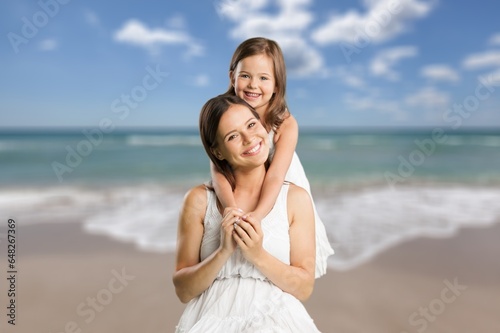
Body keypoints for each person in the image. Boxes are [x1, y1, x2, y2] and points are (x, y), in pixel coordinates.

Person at [173, 94, 321, 332]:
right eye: (232, 136)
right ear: (218, 152)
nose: (249, 138)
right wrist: (223, 252)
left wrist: (257, 254)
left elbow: (304, 288)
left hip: (278, 321)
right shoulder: (199, 200)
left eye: (251, 125)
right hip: (210, 320)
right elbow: (183, 290)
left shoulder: (295, 199)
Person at [211, 37, 333, 278]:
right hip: (243, 190)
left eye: (264, 78)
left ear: (277, 85)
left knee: (280, 259)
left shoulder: (285, 123)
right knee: (241, 263)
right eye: (245, 75)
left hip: (278, 190)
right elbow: (218, 171)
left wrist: (258, 214)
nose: (253, 85)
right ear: (231, 76)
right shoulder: (223, 115)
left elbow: (276, 175)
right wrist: (231, 209)